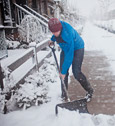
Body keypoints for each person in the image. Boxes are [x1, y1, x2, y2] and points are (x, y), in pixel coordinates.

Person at [48, 18, 93, 102]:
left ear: (60, 28)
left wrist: (64, 72)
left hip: (77, 48)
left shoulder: (67, 34)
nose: (54, 33)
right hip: (66, 49)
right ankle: (64, 95)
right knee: (62, 72)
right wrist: (52, 39)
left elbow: (69, 56)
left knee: (76, 72)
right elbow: (55, 34)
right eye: (52, 32)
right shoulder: (56, 27)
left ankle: (90, 90)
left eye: (55, 32)